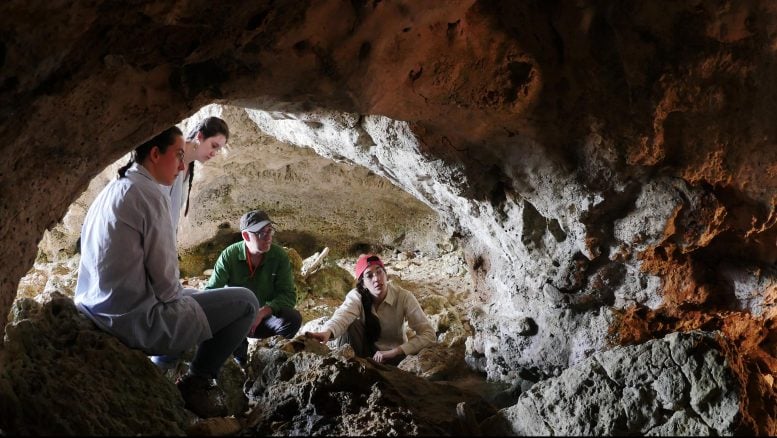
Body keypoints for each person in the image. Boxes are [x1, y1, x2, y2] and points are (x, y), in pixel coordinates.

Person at [74, 126, 259, 418]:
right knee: (245, 302)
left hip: (95, 306)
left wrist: (193, 298)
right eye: (178, 156)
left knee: (199, 298)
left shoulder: (114, 188)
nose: (183, 166)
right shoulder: (148, 195)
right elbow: (166, 285)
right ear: (155, 154)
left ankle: (164, 367)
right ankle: (198, 380)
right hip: (131, 321)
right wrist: (190, 302)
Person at [206, 210, 302, 366]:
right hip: (237, 319)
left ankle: (273, 355)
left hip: (264, 319)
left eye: (270, 230)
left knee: (292, 318)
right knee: (221, 319)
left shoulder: (279, 256)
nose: (268, 236)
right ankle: (239, 359)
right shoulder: (229, 255)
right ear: (245, 236)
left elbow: (288, 295)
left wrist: (263, 311)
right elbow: (210, 292)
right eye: (261, 233)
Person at [306, 254, 436, 365]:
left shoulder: (403, 297)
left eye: (379, 272)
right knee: (350, 326)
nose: (376, 279)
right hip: (366, 352)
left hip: (394, 356)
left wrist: (397, 351)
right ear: (363, 283)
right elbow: (343, 315)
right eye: (369, 276)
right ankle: (351, 371)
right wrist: (327, 332)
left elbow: (429, 334)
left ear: (386, 275)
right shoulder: (357, 295)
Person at [167, 116, 229, 234]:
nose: (214, 154)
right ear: (199, 136)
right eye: (214, 146)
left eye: (218, 150)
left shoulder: (188, 167)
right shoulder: (170, 157)